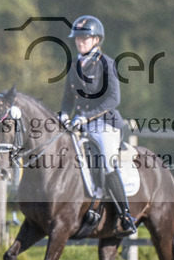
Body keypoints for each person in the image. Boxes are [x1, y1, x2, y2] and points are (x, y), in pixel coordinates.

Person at [58, 15, 136, 235]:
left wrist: (86, 117)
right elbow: (67, 99)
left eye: (85, 38)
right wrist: (64, 115)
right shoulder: (74, 65)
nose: (80, 42)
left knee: (107, 161)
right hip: (79, 124)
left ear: (96, 40)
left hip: (105, 124)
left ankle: (125, 215)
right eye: (78, 39)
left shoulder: (107, 64)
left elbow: (113, 99)